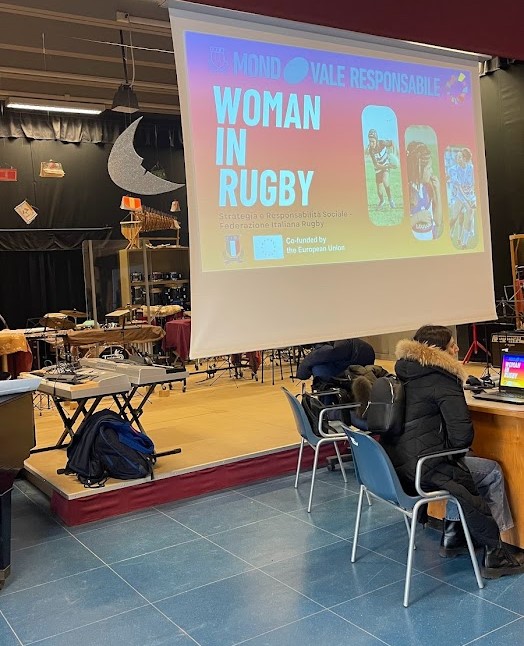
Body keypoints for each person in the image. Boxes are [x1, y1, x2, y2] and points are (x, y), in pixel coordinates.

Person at [382, 324, 524, 578]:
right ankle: (496, 550)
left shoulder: (404, 372)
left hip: (399, 465)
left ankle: (453, 535)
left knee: (461, 467)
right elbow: (462, 437)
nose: (458, 348)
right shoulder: (443, 379)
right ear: (437, 351)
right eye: (452, 345)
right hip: (425, 467)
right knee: (488, 471)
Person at [406, 141, 442, 240]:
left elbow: (438, 221)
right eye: (429, 168)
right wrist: (417, 218)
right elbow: (400, 230)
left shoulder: (428, 187)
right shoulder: (408, 191)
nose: (432, 171)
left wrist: (437, 191)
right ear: (419, 169)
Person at [296, 338, 375, 382]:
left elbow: (330, 352)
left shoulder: (335, 343)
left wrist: (302, 372)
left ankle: (327, 402)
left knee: (318, 368)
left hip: (358, 359)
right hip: (361, 359)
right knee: (319, 367)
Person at [448, 148, 476, 248]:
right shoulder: (453, 170)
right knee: (454, 218)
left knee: (469, 217)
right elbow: (459, 188)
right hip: (459, 196)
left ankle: (464, 243)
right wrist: (467, 199)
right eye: (457, 157)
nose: (457, 158)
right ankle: (449, 233)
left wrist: (471, 197)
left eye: (460, 157)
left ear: (465, 159)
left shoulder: (471, 168)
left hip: (469, 195)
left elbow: (473, 184)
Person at [367, 129, 397, 209]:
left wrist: (394, 156)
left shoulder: (382, 143)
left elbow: (392, 143)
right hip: (378, 168)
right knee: (379, 191)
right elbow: (376, 165)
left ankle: (390, 200)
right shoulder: (370, 150)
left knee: (385, 180)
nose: (371, 143)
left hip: (385, 164)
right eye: (370, 141)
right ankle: (382, 201)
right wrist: (389, 166)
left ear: (376, 140)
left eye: (373, 141)